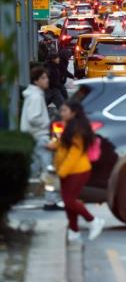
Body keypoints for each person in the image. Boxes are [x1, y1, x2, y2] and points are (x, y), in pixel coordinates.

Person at [50, 100, 105, 242]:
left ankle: (93, 221)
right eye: (61, 110)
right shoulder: (68, 126)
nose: (61, 113)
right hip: (68, 170)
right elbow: (63, 145)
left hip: (77, 171)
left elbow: (75, 153)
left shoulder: (77, 129)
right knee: (69, 202)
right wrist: (52, 145)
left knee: (69, 201)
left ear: (73, 113)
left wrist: (62, 171)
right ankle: (74, 231)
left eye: (64, 111)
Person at [20, 67, 63, 210]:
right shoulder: (36, 97)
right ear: (36, 80)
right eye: (43, 78)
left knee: (33, 169)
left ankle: (16, 194)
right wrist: (48, 122)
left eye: (47, 77)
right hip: (40, 137)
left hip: (34, 137)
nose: (47, 80)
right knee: (49, 170)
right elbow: (34, 118)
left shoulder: (33, 95)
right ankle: (50, 201)